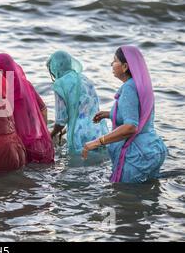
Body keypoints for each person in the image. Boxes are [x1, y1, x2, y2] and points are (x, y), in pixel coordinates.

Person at [83, 46, 168, 183]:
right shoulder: (141, 85)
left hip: (137, 155)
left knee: (125, 197)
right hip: (154, 149)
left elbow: (131, 127)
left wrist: (97, 142)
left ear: (125, 66)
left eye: (115, 61)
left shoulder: (128, 87)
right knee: (149, 198)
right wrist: (108, 114)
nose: (112, 64)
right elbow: (139, 115)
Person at [0, 53, 54, 164]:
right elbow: (43, 109)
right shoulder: (26, 85)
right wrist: (42, 131)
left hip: (16, 148)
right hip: (38, 144)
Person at [47, 50, 108, 156]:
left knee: (77, 168)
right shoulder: (85, 79)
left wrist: (52, 134)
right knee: (95, 166)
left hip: (78, 135)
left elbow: (61, 120)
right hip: (97, 131)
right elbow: (88, 109)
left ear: (55, 67)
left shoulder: (60, 84)